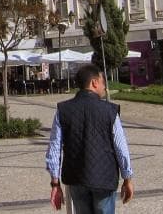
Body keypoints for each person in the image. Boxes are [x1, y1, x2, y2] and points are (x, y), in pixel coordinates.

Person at [45, 63, 135, 213]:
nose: (105, 87)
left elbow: (54, 148)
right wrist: (127, 178)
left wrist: (55, 184)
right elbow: (121, 147)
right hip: (104, 178)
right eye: (103, 82)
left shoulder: (63, 110)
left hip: (76, 178)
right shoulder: (110, 111)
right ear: (94, 82)